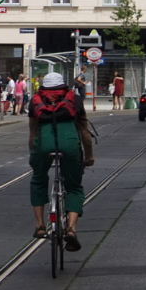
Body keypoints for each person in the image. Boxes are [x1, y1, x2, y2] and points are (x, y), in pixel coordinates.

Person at [28, 72, 94, 250]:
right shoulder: (75, 100)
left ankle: (40, 226)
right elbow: (85, 134)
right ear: (64, 86)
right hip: (70, 144)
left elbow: (32, 132)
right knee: (73, 187)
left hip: (43, 143)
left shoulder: (35, 100)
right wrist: (88, 156)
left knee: (38, 180)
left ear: (43, 87)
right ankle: (71, 229)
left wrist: (34, 156)